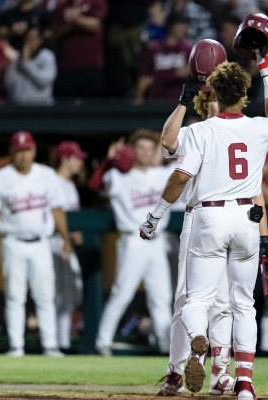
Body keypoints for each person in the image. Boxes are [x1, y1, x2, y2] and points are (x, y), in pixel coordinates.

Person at [139, 60, 268, 400]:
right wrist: (265, 72)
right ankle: (244, 382)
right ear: (244, 94)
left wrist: (156, 215)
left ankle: (197, 341)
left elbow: (179, 176)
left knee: (196, 300)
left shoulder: (200, 132)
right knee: (242, 305)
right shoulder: (260, 129)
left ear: (215, 93)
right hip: (247, 218)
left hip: (209, 217)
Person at [0, 130, 71, 357]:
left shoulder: (47, 175)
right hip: (12, 241)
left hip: (41, 241)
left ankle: (50, 345)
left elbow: (58, 211)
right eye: (18, 150)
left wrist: (65, 239)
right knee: (14, 295)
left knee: (45, 295)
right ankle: (16, 346)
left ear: (33, 150)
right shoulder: (0, 177)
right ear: (12, 151)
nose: (23, 154)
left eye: (27, 149)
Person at [88, 129, 174, 357]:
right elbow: (95, 184)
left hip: (157, 243)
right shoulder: (119, 176)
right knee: (122, 294)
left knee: (162, 297)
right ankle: (102, 342)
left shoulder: (162, 175)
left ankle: (165, 345)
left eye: (150, 148)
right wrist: (109, 159)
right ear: (132, 150)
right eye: (141, 148)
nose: (146, 152)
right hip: (132, 240)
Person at [51, 140, 86, 351]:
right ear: (65, 158)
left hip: (67, 243)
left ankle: (62, 341)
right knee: (58, 294)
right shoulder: (52, 182)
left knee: (72, 293)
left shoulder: (70, 185)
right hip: (54, 242)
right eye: (77, 158)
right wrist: (67, 237)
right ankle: (55, 342)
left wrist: (76, 235)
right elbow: (51, 217)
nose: (80, 162)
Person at [4, 27, 57, 104]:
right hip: (19, 107)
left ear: (40, 40)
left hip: (42, 107)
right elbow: (7, 83)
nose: (30, 42)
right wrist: (12, 63)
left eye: (33, 38)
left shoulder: (46, 56)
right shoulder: (16, 57)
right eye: (28, 38)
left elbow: (44, 80)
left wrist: (26, 64)